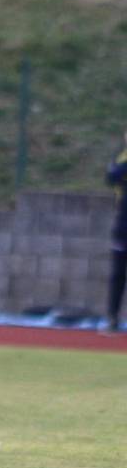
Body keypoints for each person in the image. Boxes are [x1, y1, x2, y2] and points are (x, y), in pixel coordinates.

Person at [105, 129, 127, 332]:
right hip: (124, 222)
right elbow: (112, 176)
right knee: (118, 273)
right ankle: (112, 318)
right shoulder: (122, 157)